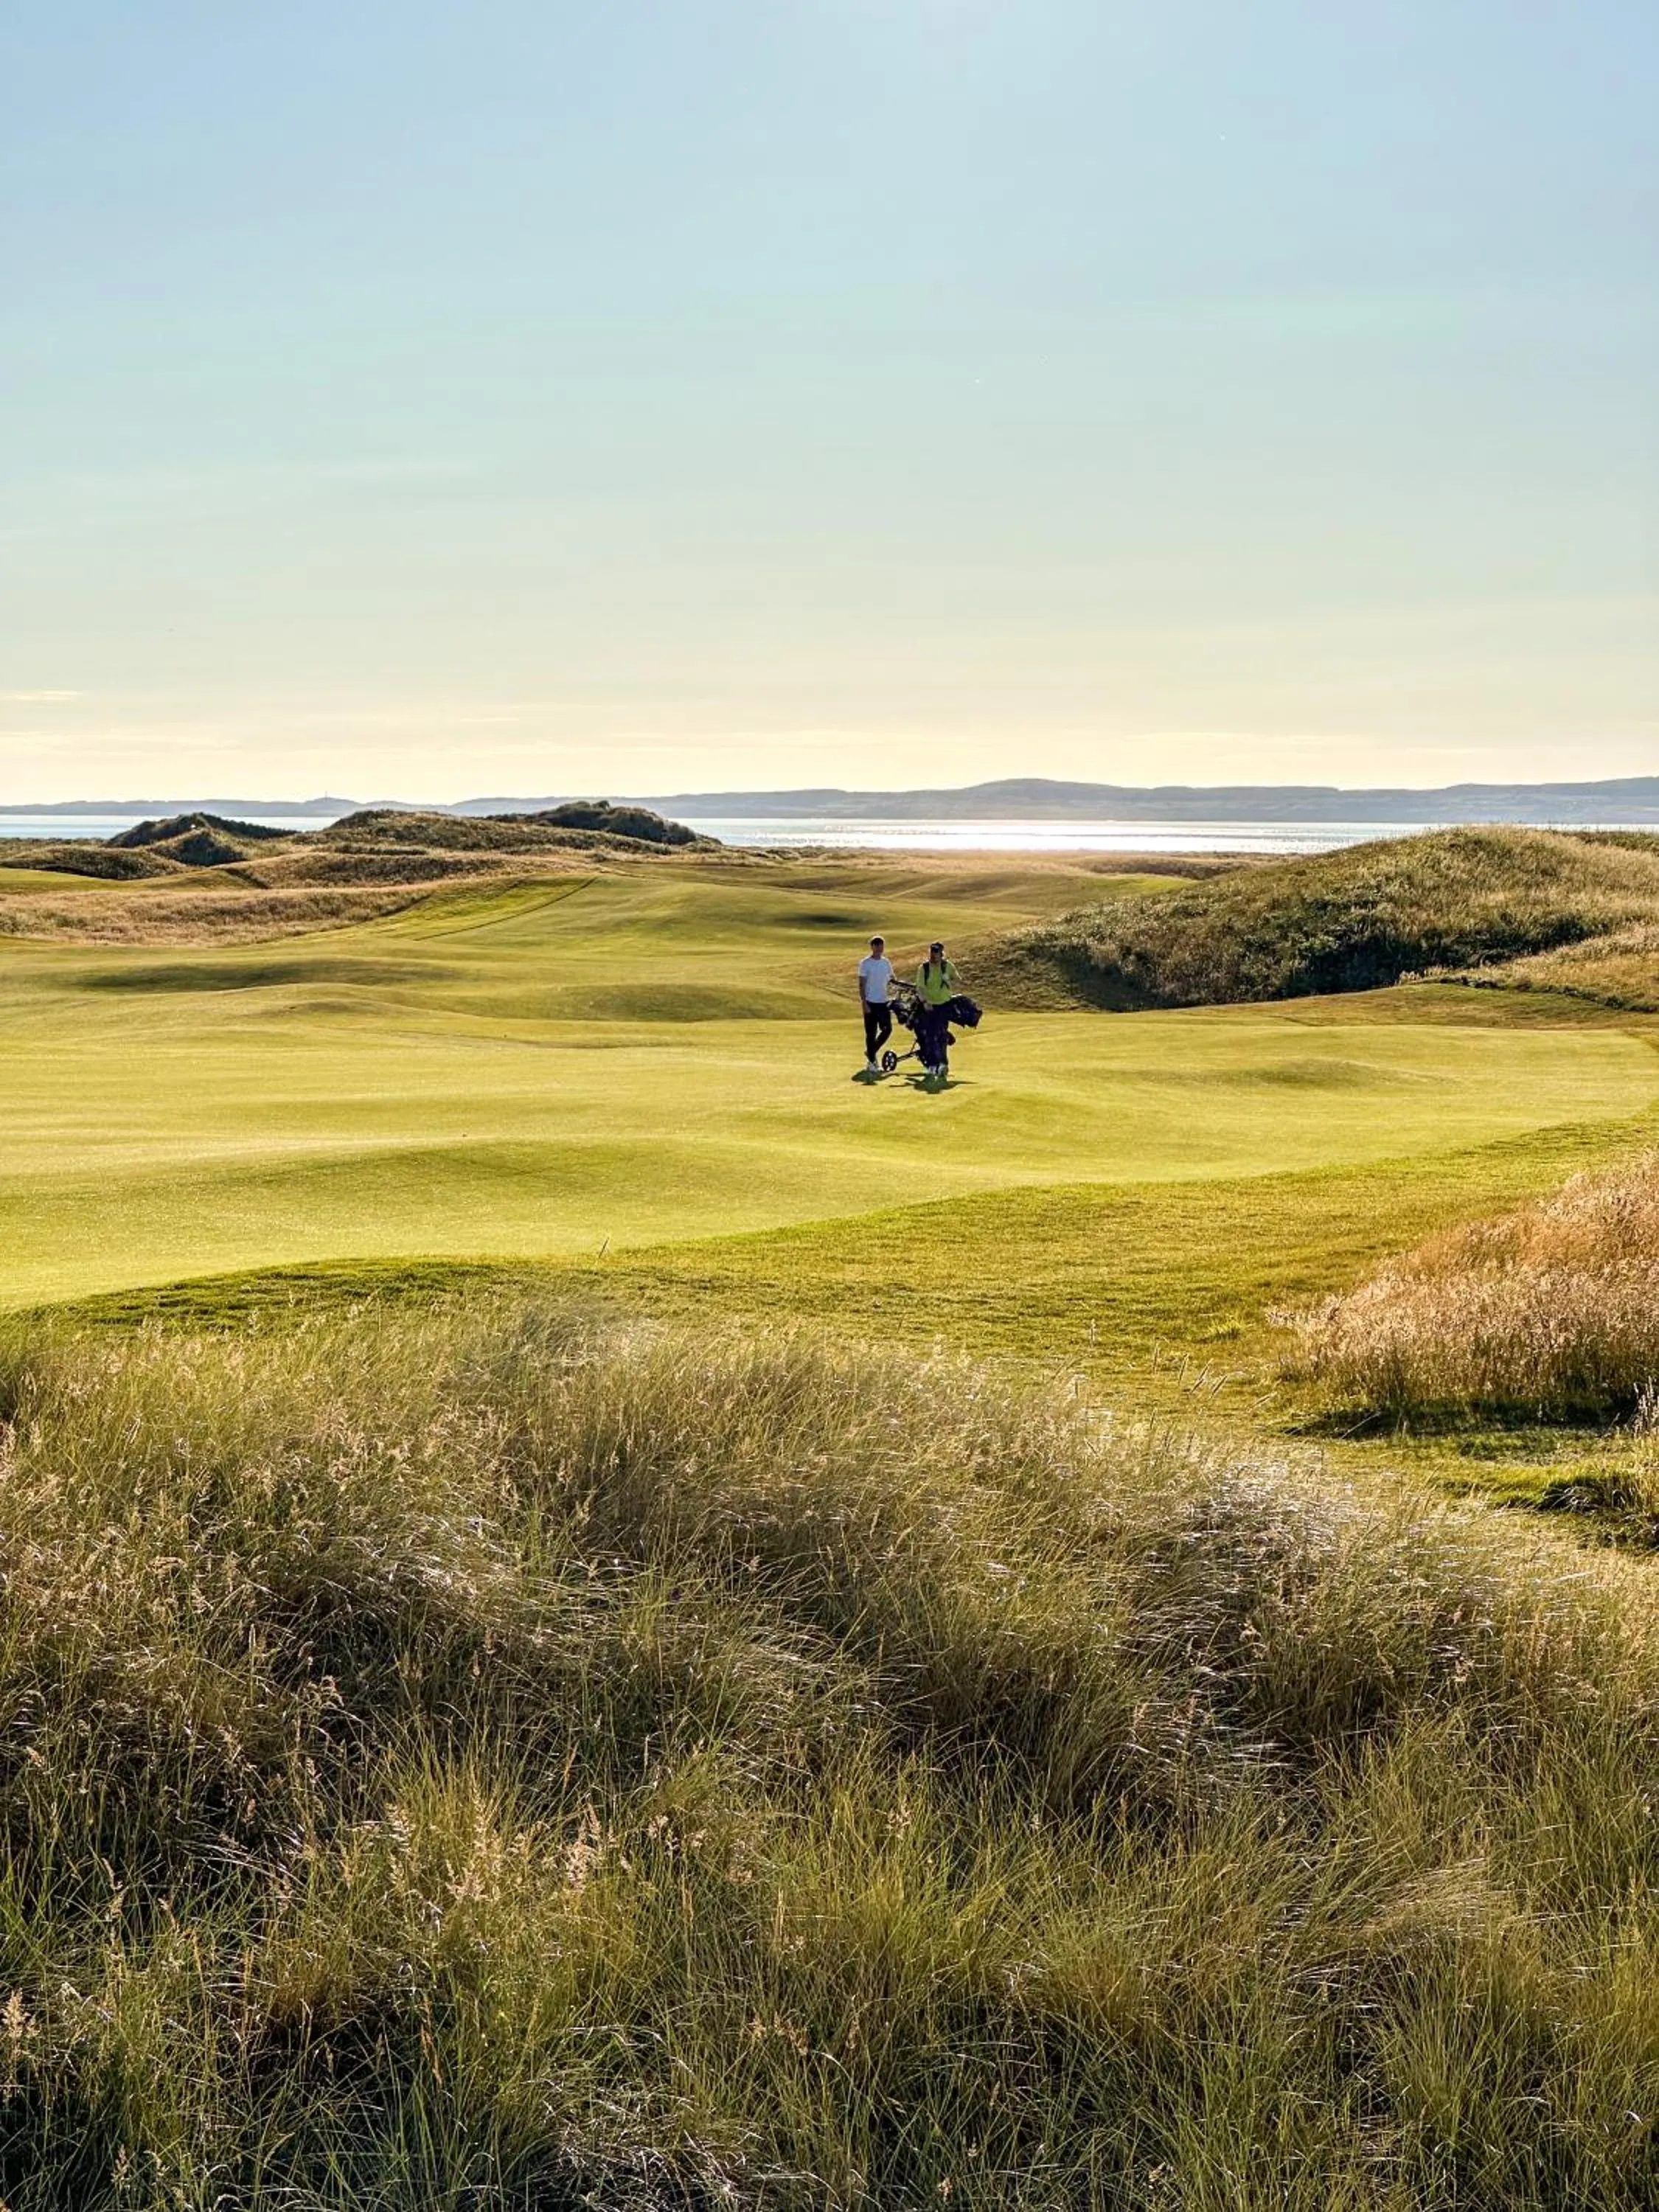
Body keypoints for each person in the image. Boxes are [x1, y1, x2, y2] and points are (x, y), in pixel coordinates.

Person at [914, 939, 962, 1079]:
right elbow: (920, 988)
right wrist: (924, 1002)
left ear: (942, 954)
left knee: (941, 1035)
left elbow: (958, 980)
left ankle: (943, 1064)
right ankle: (932, 1064)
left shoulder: (948, 966)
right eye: (932, 952)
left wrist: (948, 979)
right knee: (930, 1036)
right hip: (929, 1006)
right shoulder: (924, 968)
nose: (933, 955)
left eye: (936, 953)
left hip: (944, 1005)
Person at [858, 934, 895, 1072]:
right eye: (877, 946)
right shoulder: (865, 963)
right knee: (871, 1033)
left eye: (881, 946)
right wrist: (864, 1003)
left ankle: (871, 1052)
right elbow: (861, 984)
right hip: (870, 1002)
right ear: (872, 947)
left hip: (883, 1002)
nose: (879, 948)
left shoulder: (886, 963)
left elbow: (892, 979)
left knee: (887, 1029)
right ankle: (872, 1062)